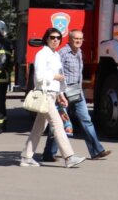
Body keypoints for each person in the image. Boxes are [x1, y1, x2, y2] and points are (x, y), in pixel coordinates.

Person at [20, 28, 86, 168]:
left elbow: (59, 78)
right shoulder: (42, 54)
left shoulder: (55, 55)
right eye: (52, 37)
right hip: (45, 94)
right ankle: (69, 156)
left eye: (58, 38)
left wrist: (61, 94)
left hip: (53, 93)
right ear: (46, 38)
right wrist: (55, 76)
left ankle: (26, 157)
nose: (55, 40)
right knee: (57, 124)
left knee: (38, 128)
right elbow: (38, 76)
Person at [41, 30, 110, 160]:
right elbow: (56, 72)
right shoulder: (62, 53)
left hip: (77, 92)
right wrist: (59, 93)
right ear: (69, 39)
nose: (78, 41)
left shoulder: (79, 52)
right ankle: (48, 153)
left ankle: (97, 151)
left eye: (80, 39)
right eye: (75, 38)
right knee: (59, 123)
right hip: (64, 92)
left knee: (86, 120)